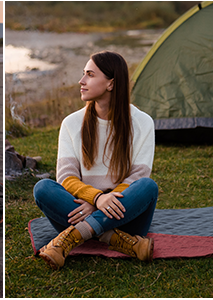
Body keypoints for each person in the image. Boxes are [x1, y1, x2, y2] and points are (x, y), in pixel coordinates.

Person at [33, 51, 158, 270]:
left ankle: (74, 236)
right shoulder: (71, 123)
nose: (81, 81)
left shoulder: (142, 122)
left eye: (90, 74)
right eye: (83, 74)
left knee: (147, 186)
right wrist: (96, 199)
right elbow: (66, 178)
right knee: (43, 188)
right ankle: (116, 239)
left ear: (111, 83)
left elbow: (138, 177)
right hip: (82, 207)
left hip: (124, 213)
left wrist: (102, 201)